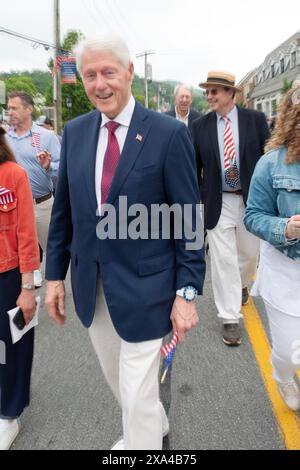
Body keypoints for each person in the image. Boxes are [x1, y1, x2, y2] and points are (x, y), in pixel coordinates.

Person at [45, 35, 205, 450]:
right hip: (93, 289)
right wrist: (54, 278)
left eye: (108, 73)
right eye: (90, 75)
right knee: (121, 382)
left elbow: (189, 219)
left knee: (135, 394)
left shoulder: (168, 134)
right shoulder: (76, 132)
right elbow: (64, 211)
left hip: (150, 288)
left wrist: (186, 293)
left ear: (129, 72)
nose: (100, 84)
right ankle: (152, 421)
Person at [193, 71, 269, 346]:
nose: (210, 97)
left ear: (231, 94)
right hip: (218, 200)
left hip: (251, 199)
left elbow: (267, 158)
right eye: (207, 92)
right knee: (222, 259)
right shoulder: (199, 126)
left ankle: (243, 283)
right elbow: (194, 167)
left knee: (249, 255)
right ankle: (229, 317)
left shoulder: (255, 120)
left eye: (215, 91)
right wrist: (196, 200)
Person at [244, 87, 300, 411]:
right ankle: (282, 375)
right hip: (285, 267)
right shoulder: (270, 164)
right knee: (288, 346)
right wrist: (286, 228)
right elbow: (253, 216)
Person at [0, 127, 40, 450]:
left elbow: (26, 235)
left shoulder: (14, 176)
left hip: (9, 276)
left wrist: (27, 287)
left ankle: (9, 415)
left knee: (12, 345)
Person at [6, 92, 61, 288]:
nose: (9, 111)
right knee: (16, 252)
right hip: (11, 208)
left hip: (42, 204)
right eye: (8, 107)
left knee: (55, 250)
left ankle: (59, 285)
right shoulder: (5, 138)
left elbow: (63, 168)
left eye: (14, 107)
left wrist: (48, 166)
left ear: (29, 109)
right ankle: (27, 283)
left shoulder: (45, 137)